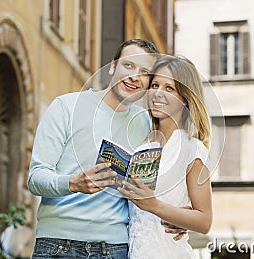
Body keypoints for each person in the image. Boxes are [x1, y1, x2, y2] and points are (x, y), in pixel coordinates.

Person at [27, 39, 161, 259]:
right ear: (112, 66)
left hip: (115, 248)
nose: (135, 76)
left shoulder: (145, 123)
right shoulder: (66, 107)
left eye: (144, 72)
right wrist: (73, 183)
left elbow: (148, 189)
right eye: (128, 65)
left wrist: (169, 221)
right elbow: (35, 178)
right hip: (58, 246)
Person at [118, 55, 213, 258]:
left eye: (169, 88)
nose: (158, 93)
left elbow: (204, 221)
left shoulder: (192, 149)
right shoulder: (142, 149)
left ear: (185, 97)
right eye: (155, 85)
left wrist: (155, 206)